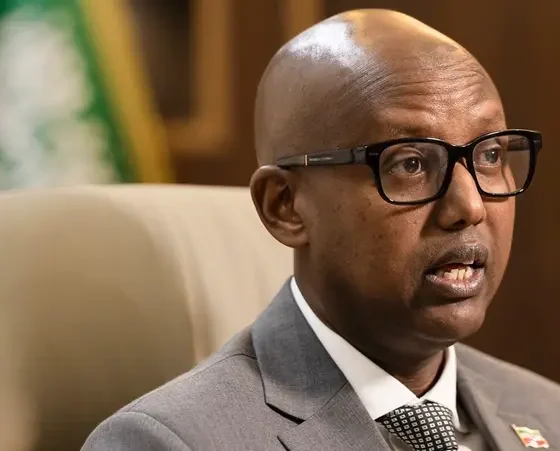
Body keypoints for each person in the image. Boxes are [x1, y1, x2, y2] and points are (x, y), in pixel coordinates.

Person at [82, 9, 559, 451]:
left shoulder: (548, 412)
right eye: (410, 163)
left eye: (490, 155)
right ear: (285, 206)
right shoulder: (167, 441)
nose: (469, 206)